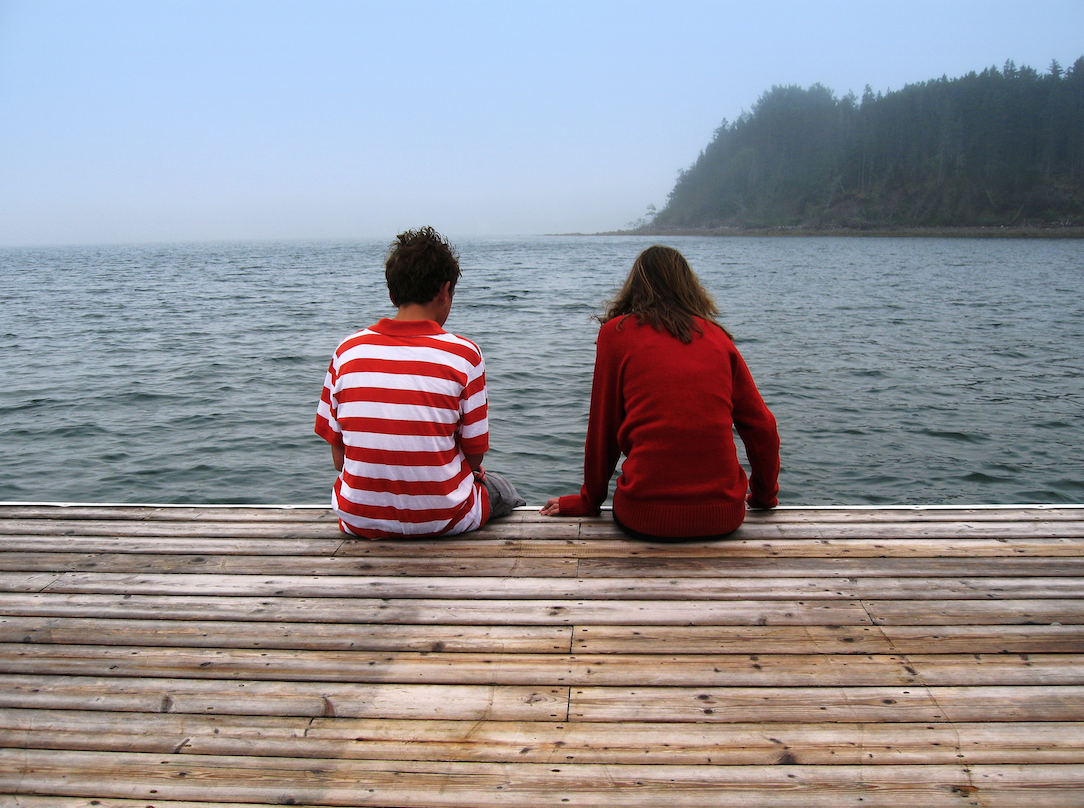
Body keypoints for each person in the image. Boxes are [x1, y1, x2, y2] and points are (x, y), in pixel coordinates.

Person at [541, 245, 779, 540]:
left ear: (635, 286)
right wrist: (764, 496)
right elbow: (762, 428)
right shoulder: (718, 338)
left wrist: (589, 501)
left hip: (644, 517)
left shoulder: (616, 334)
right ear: (690, 287)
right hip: (724, 517)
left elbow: (604, 428)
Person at [315, 226, 523, 538]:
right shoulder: (464, 355)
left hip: (359, 520)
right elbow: (474, 457)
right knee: (503, 490)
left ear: (392, 294)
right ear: (445, 291)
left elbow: (338, 459)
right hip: (445, 520)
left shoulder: (347, 351)